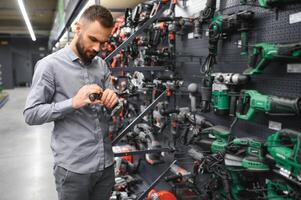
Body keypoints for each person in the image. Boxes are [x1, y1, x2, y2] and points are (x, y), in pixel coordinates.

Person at [23, 5, 118, 200]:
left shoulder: (101, 64)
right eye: (93, 39)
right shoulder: (49, 66)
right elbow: (31, 114)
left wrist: (113, 100)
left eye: (103, 42)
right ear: (78, 29)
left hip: (105, 164)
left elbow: (113, 104)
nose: (97, 48)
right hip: (74, 170)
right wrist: (73, 103)